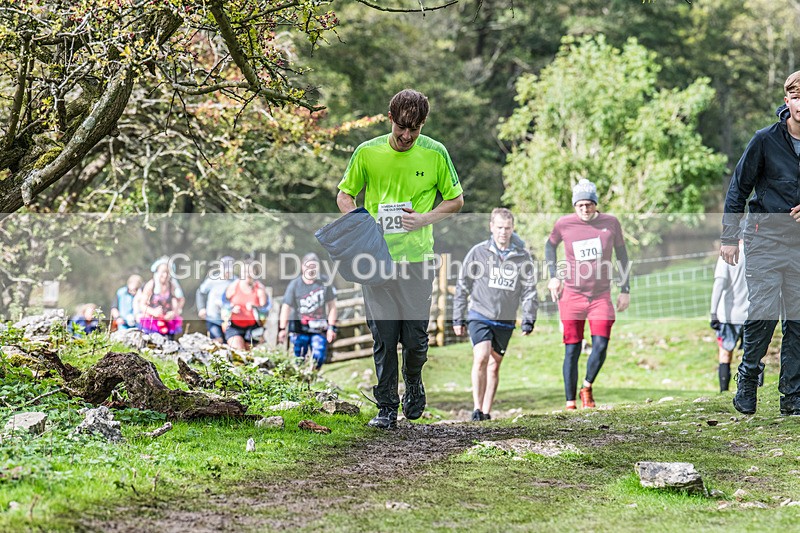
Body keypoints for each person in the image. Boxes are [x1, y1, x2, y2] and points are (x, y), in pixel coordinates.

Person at [336, 88, 464, 428]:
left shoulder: (435, 153)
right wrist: (361, 222)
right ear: (390, 118)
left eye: (415, 129)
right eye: (401, 128)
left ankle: (414, 380)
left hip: (417, 260)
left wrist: (423, 219)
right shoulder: (367, 152)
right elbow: (345, 195)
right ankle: (386, 407)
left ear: (423, 124)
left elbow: (456, 200)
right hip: (376, 258)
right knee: (384, 336)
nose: (407, 136)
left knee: (415, 338)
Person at [722, 71, 800, 416]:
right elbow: (738, 188)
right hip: (764, 238)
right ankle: (748, 375)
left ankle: (792, 395)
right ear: (787, 101)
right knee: (763, 313)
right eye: (796, 98)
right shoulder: (764, 140)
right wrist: (729, 237)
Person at [545, 179, 631, 410]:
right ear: (575, 205)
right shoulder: (564, 224)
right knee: (572, 349)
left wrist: (625, 289)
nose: (585, 209)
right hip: (572, 295)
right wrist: (553, 276)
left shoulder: (611, 223)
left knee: (601, 344)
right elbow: (549, 246)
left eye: (589, 204)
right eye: (580, 205)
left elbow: (622, 256)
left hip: (600, 295)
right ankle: (570, 403)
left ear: (595, 204)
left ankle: (587, 386)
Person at [452, 208, 538, 421]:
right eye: (499, 227)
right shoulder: (478, 252)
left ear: (512, 228)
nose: (503, 232)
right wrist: (458, 317)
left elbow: (529, 291)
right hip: (479, 314)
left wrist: (528, 319)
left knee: (494, 365)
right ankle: (476, 408)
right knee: (481, 356)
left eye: (507, 228)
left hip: (505, 320)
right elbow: (463, 285)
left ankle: (486, 411)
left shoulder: (522, 257)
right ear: (491, 227)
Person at [278, 253, 338, 369]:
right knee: (299, 359)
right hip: (299, 329)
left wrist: (331, 327)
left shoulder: (325, 283)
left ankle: (313, 376)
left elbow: (332, 306)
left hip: (318, 328)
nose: (311, 270)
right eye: (308, 266)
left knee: (318, 356)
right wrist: (282, 329)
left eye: (314, 267)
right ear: (302, 267)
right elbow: (286, 307)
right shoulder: (295, 284)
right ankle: (302, 378)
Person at [709, 240, 749, 392]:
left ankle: (724, 392)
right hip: (751, 314)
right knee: (754, 355)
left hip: (729, 315)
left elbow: (719, 285)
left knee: (725, 354)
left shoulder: (727, 253)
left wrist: (713, 313)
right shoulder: (757, 253)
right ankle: (757, 390)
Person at [224, 259, 269, 350]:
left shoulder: (259, 289)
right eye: (244, 271)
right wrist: (231, 309)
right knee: (238, 351)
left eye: (250, 272)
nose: (247, 274)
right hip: (234, 326)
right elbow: (224, 305)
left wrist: (255, 307)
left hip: (253, 328)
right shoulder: (234, 286)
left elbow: (265, 311)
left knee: (250, 354)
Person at [138, 257, 185, 338]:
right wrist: (153, 312)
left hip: (168, 321)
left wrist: (173, 313)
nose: (165, 275)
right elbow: (142, 304)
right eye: (163, 272)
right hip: (152, 322)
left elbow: (180, 300)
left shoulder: (172, 285)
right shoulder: (151, 285)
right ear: (157, 272)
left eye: (168, 272)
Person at [196, 256, 236, 343]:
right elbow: (200, 292)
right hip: (213, 318)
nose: (227, 272)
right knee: (218, 341)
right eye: (225, 269)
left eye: (229, 270)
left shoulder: (235, 281)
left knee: (230, 343)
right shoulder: (212, 280)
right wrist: (201, 308)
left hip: (229, 320)